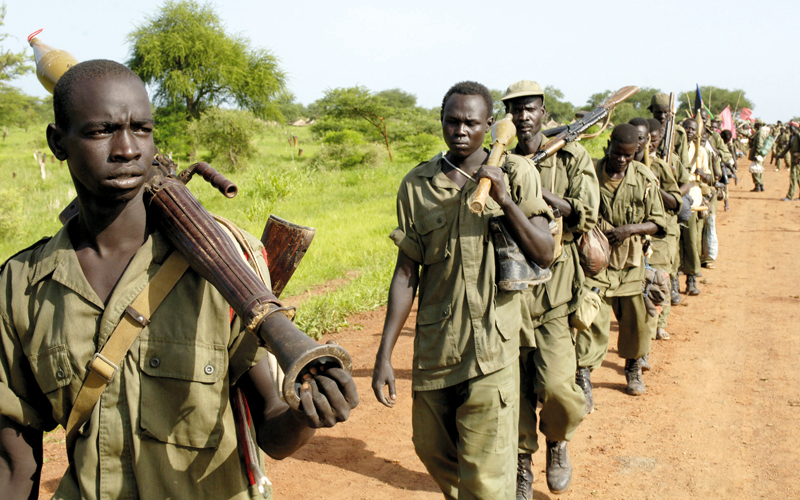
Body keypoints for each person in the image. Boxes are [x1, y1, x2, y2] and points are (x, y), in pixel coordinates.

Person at [0, 60, 358, 500]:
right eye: (101, 131)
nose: (127, 148)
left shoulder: (227, 266)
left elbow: (271, 427)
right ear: (58, 142)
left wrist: (307, 415)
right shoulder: (22, 285)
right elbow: (15, 460)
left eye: (141, 129)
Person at [372, 81, 554, 500]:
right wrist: (384, 354)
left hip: (494, 345)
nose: (460, 130)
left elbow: (544, 252)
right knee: (432, 449)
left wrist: (506, 202)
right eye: (452, 121)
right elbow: (406, 273)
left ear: (489, 126)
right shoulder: (417, 185)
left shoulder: (516, 173)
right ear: (441, 123)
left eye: (471, 123)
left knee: (487, 478)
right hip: (437, 346)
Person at [501, 80, 600, 498]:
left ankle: (558, 444)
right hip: (508, 294)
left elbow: (586, 213)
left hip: (555, 293)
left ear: (543, 112)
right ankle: (522, 466)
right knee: (516, 391)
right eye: (515, 110)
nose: (523, 116)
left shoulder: (572, 155)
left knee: (559, 388)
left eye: (530, 109)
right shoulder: (498, 159)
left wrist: (533, 189)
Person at [577, 124, 667, 396]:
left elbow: (659, 223)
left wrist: (631, 229)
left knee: (635, 321)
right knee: (591, 319)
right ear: (609, 145)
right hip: (596, 261)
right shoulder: (590, 172)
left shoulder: (643, 177)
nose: (621, 160)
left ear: (636, 152)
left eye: (628, 155)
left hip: (630, 263)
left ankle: (633, 366)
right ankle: (583, 375)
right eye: (617, 153)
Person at [629, 117, 681, 343]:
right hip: (628, 242)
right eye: (633, 138)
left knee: (655, 287)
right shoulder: (618, 165)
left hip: (657, 239)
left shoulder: (659, 167)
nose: (638, 143)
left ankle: (646, 347)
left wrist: (656, 191)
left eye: (642, 138)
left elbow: (677, 201)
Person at [682, 118, 713, 295]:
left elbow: (710, 178)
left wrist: (703, 174)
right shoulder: (674, 150)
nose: (689, 131)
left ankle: (691, 279)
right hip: (677, 200)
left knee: (691, 242)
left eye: (693, 129)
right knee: (677, 243)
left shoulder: (700, 152)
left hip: (693, 201)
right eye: (686, 128)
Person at [649, 92, 690, 172]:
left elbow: (685, 163)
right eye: (658, 112)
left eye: (665, 112)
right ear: (651, 110)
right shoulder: (646, 129)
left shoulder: (678, 132)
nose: (662, 116)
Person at [780, 122, 800, 201]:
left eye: (790, 127)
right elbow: (787, 148)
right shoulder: (792, 136)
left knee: (793, 177)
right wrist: (780, 155)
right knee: (798, 177)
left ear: (794, 127)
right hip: (793, 158)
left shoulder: (798, 136)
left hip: (797, 159)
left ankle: (790, 196)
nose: (789, 128)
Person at [749, 119, 769, 192]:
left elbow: (759, 144)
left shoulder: (760, 133)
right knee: (760, 169)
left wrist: (757, 154)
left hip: (758, 154)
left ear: (758, 124)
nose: (754, 125)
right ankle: (761, 186)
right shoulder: (759, 132)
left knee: (755, 170)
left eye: (755, 124)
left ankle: (757, 186)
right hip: (759, 154)